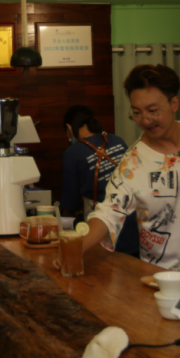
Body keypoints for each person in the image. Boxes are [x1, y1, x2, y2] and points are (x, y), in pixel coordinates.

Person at [73, 64, 180, 272]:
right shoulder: (132, 165)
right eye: (137, 113)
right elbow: (107, 214)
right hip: (162, 275)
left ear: (174, 103)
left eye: (153, 111)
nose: (145, 120)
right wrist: (74, 249)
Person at [58, 105, 139, 256]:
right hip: (135, 224)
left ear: (69, 128)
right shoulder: (117, 140)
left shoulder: (72, 153)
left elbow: (70, 202)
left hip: (103, 228)